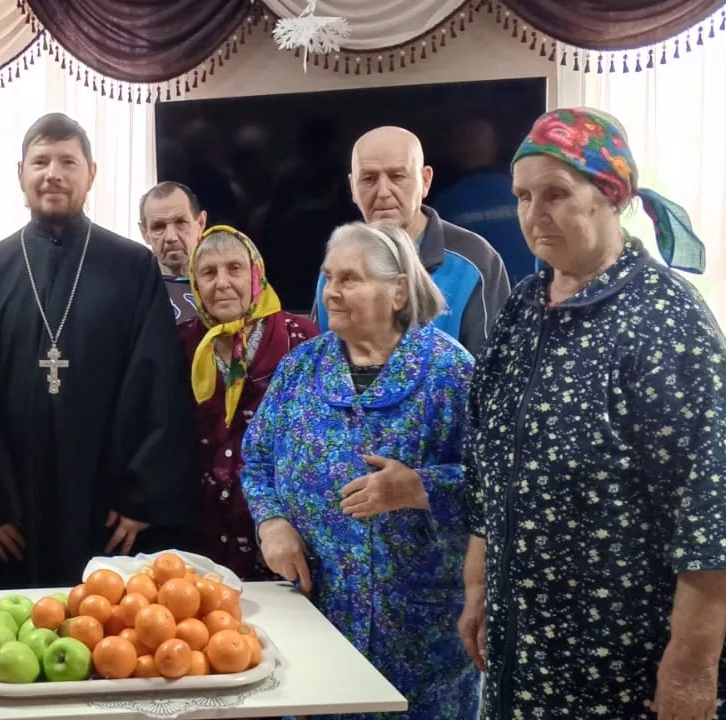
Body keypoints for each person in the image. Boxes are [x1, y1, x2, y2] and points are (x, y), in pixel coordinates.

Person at [459, 108, 726, 720]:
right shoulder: (524, 308)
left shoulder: (665, 320)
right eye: (523, 196)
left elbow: (719, 513)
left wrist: (691, 668)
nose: (534, 214)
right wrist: (478, 589)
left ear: (613, 195)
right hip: (524, 649)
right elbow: (488, 464)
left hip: (623, 659)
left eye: (556, 194)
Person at [0, 112, 198, 589]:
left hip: (106, 508)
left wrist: (140, 497)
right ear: (20, 173)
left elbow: (158, 383)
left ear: (91, 174)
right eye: (40, 161)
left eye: (68, 161)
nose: (53, 174)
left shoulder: (132, 267)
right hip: (12, 513)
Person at [242, 222, 477, 719]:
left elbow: (496, 486)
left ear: (398, 291)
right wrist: (271, 522)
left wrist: (418, 487)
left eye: (349, 278)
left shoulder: (450, 372)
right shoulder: (300, 369)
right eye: (328, 277)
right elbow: (257, 459)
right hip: (318, 620)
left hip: (420, 636)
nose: (332, 291)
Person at [177, 225, 316, 581]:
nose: (222, 282)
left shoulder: (302, 340)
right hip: (200, 528)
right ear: (195, 284)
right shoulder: (180, 342)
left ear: (256, 274)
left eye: (234, 268)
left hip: (279, 531)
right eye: (208, 272)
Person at [311, 126, 511, 358]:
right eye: (369, 179)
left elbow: (493, 369)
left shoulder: (475, 261)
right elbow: (319, 361)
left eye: (397, 176)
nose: (383, 192)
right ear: (353, 188)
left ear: (425, 180)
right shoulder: (337, 264)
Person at [430, 120, 538, 283]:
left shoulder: (446, 203)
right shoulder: (522, 192)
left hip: (479, 293)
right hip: (527, 289)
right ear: (494, 147)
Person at [137, 181, 207, 322]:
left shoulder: (225, 283)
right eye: (158, 227)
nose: (171, 237)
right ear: (145, 233)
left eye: (181, 223)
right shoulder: (134, 292)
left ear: (200, 223)